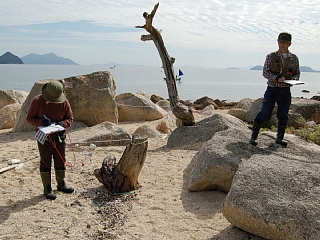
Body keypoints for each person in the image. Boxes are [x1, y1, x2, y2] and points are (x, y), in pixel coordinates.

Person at [250, 32, 300, 147]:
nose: (281, 45)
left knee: (283, 115)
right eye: (280, 42)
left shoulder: (294, 58)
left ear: (289, 44)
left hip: (285, 91)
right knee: (265, 113)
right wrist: (276, 78)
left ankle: (279, 139)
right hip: (272, 89)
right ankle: (253, 137)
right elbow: (265, 72)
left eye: (284, 42)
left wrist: (293, 80)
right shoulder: (271, 56)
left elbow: (297, 73)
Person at [27, 80, 74, 200]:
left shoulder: (64, 102)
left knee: (61, 159)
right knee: (45, 161)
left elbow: (70, 118)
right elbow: (30, 118)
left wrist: (62, 123)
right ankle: (47, 188)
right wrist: (42, 122)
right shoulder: (37, 101)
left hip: (59, 135)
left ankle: (61, 183)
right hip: (44, 137)